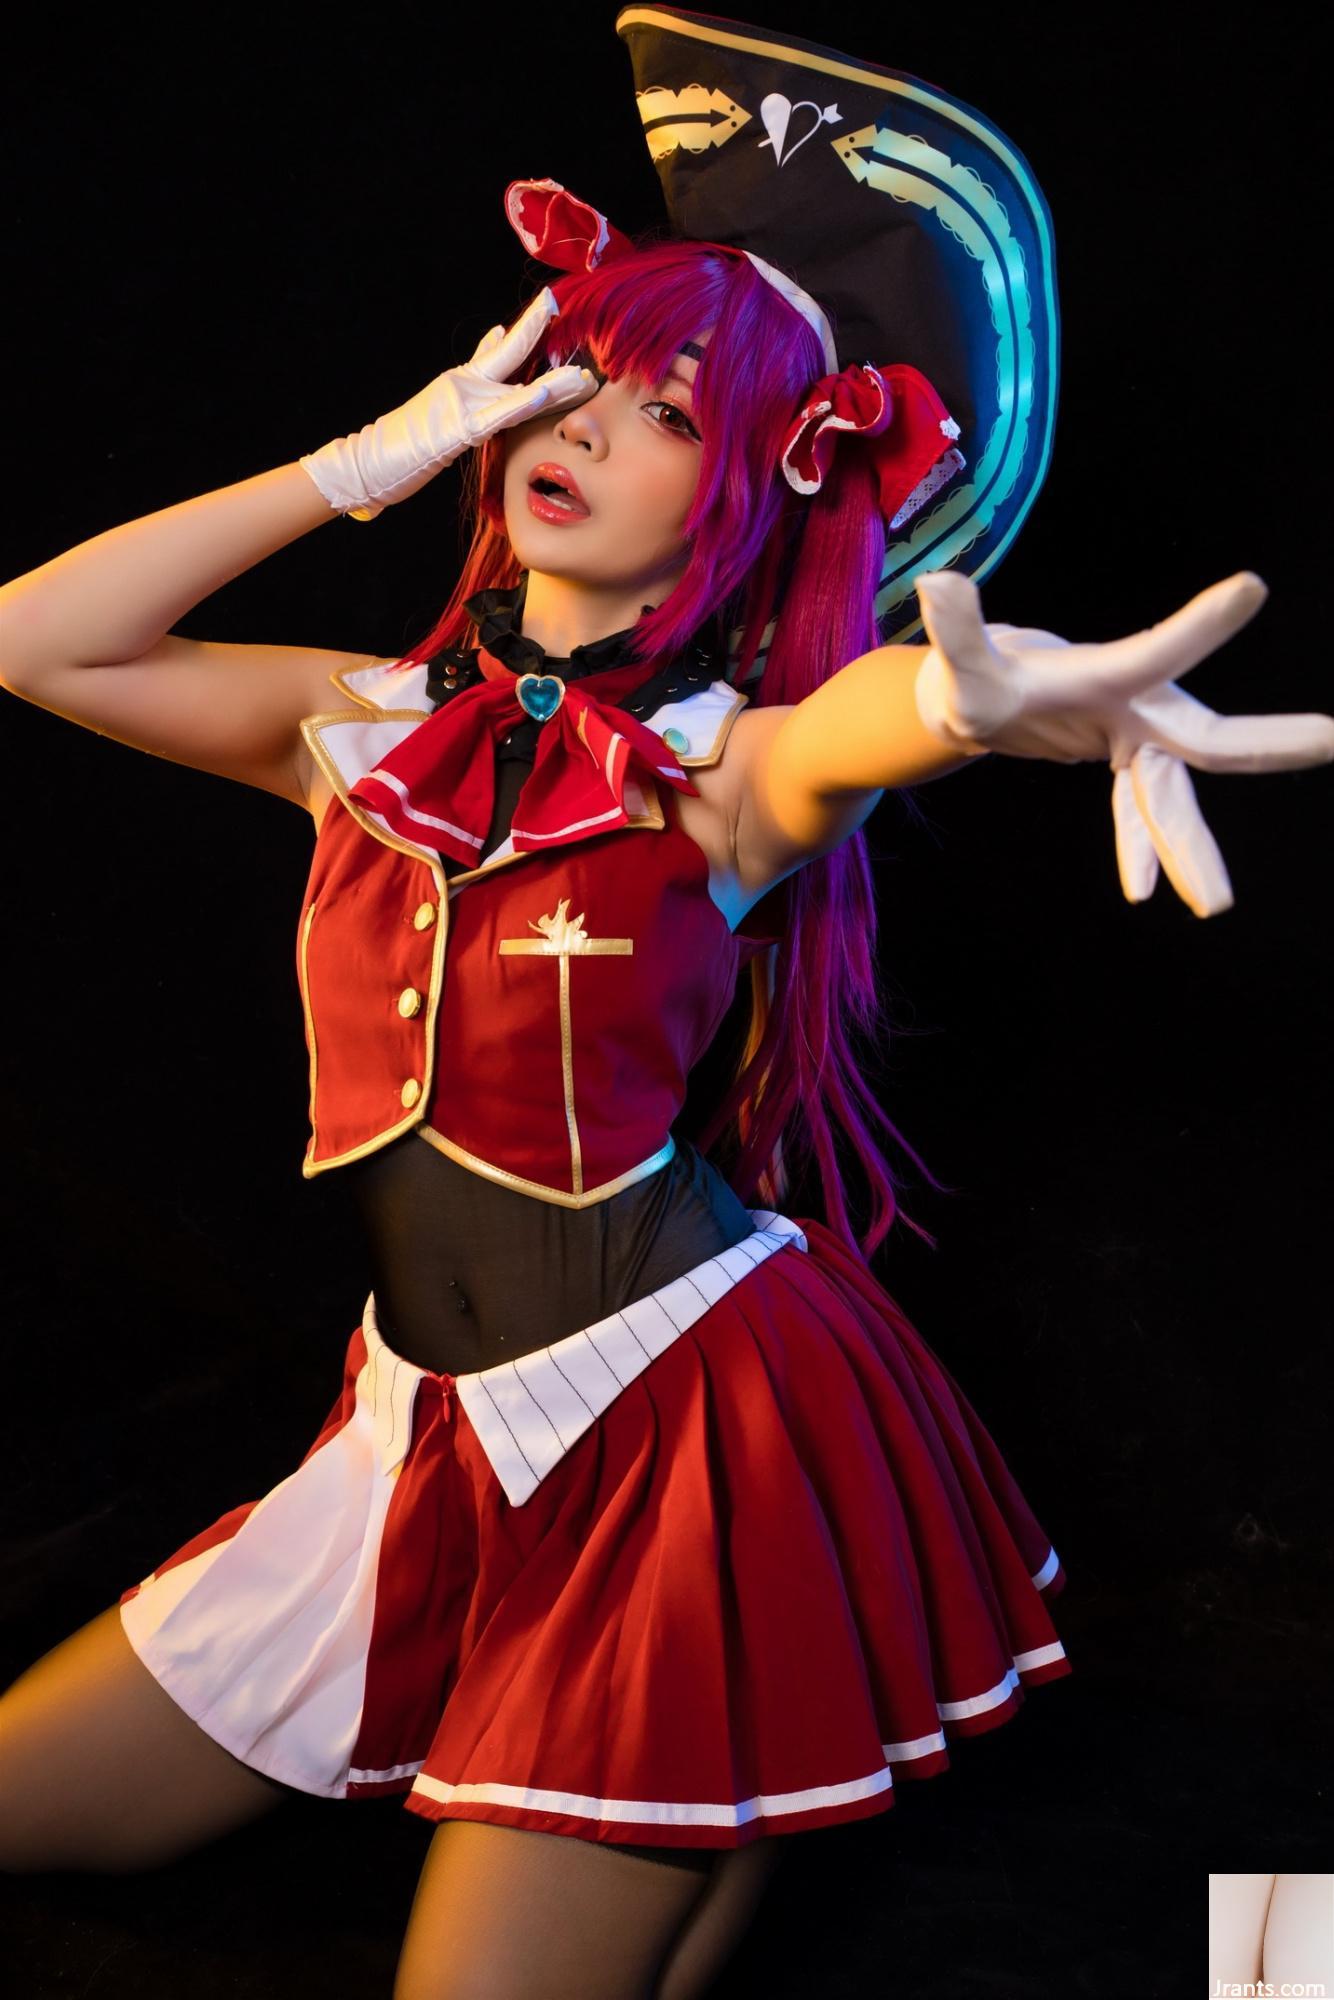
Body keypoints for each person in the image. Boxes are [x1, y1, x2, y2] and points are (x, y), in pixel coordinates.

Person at [2, 17, 1331, 2000]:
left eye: (671, 415)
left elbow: (858, 730)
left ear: (756, 492)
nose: (588, 433)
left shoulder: (726, 770)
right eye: (582, 379)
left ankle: (807, 1830)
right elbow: (36, 640)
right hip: (414, 1429)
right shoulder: (352, 729)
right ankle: (707, 1858)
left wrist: (978, 698)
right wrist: (360, 465)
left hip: (681, 1440)